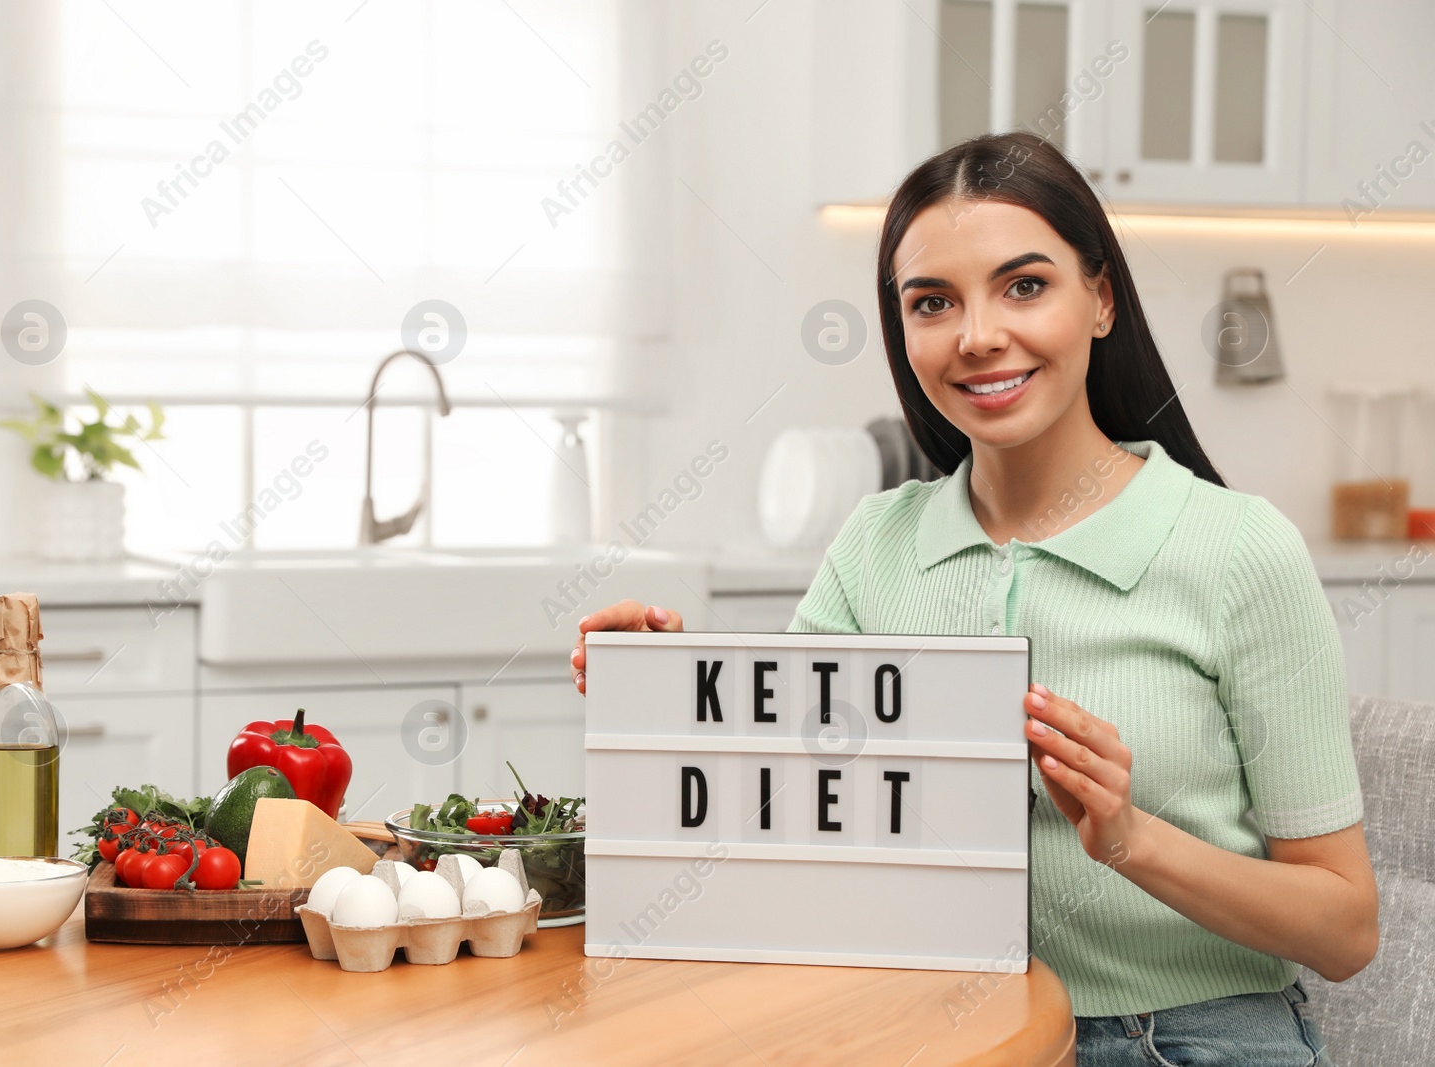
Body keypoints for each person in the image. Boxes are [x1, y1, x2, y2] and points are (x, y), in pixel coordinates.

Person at [569, 130, 1376, 1066]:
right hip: (938, 1031)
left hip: (1188, 1039)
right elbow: (787, 830)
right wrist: (681, 701)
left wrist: (1132, 839)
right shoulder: (877, 545)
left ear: (1101, 299)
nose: (978, 334)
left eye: (1024, 285)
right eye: (932, 302)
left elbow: (1345, 928)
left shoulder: (1240, 551)